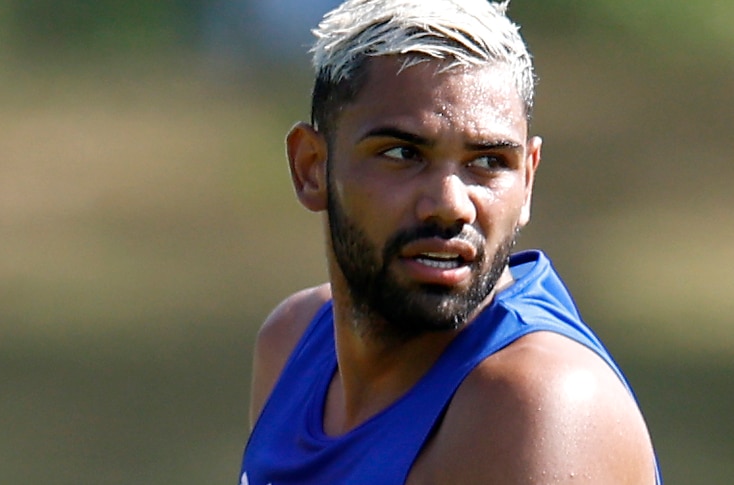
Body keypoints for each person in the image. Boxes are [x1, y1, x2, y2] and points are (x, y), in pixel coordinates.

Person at [239, 0, 662, 483]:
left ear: (527, 180)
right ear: (312, 167)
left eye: (488, 162)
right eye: (402, 153)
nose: (450, 204)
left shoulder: (540, 406)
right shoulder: (294, 341)